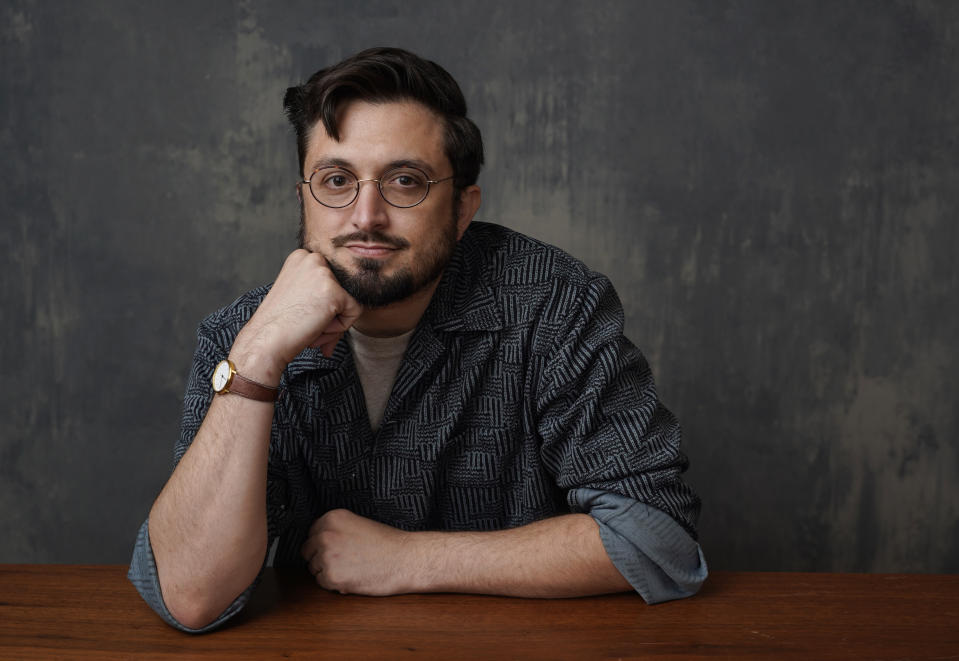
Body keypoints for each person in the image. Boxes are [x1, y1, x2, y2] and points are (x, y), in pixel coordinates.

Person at [128, 47, 707, 633]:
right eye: (336, 180)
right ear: (303, 197)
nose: (366, 216)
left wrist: (409, 558)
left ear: (462, 210)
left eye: (406, 181)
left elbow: (657, 540)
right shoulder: (245, 335)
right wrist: (255, 360)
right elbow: (190, 596)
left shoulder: (554, 307)